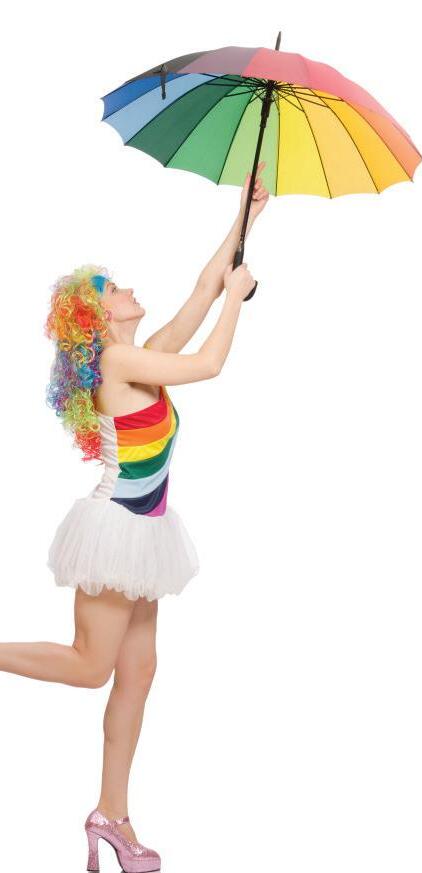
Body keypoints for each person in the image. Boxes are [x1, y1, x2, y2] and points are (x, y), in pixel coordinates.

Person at [0, 163, 269, 873]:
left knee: (139, 670)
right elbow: (210, 363)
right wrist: (238, 301)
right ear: (100, 319)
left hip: (145, 531)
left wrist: (246, 216)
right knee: (92, 667)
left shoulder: (139, 357)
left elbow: (203, 287)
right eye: (112, 287)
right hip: (116, 528)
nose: (125, 289)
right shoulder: (120, 362)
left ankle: (111, 816)